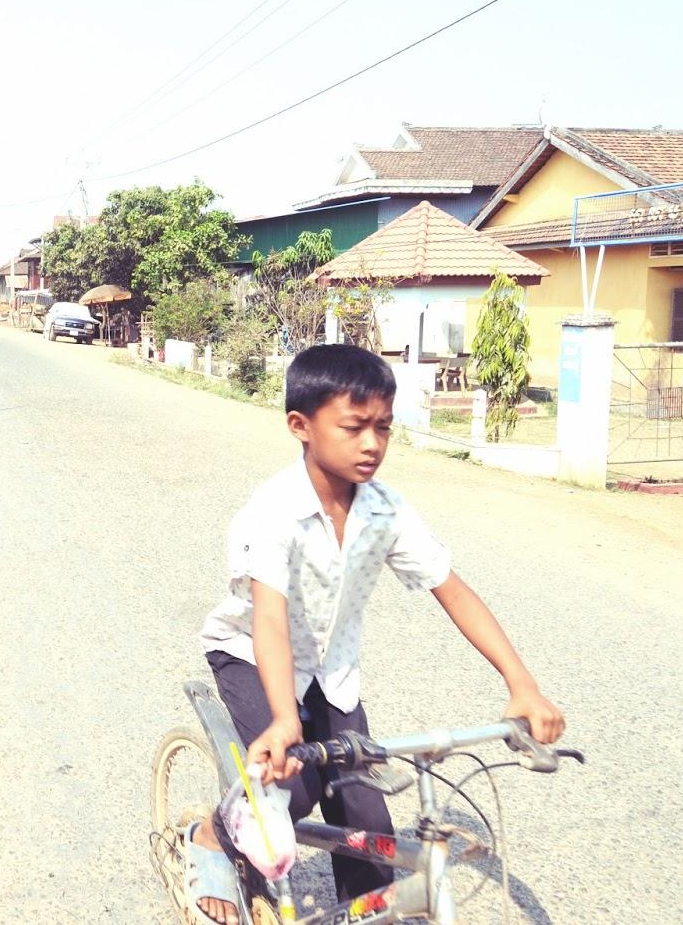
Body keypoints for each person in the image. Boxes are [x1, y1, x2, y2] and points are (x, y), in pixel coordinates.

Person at [182, 345, 565, 924]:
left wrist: (522, 683)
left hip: (332, 675)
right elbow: (268, 619)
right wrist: (285, 719)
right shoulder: (273, 511)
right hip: (251, 656)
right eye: (354, 427)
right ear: (300, 426)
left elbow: (452, 589)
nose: (372, 444)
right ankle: (213, 835)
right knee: (297, 788)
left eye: (383, 427)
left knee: (369, 826)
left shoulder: (387, 511)